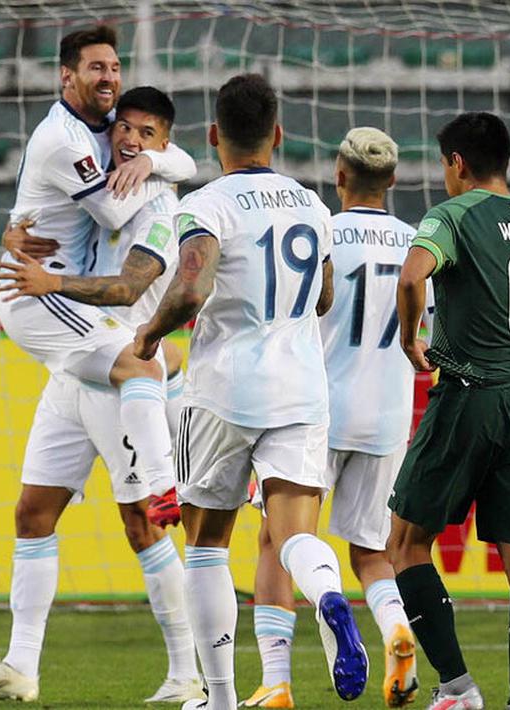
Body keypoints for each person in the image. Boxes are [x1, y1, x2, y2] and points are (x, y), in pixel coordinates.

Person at [0, 87, 201, 704]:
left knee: (142, 525)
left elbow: (128, 286)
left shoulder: (160, 208)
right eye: (125, 130)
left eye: (147, 134)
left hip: (116, 359)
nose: (130, 141)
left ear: (164, 144)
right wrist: (14, 233)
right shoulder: (107, 186)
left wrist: (47, 280)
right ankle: (20, 667)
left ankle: (187, 675)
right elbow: (48, 211)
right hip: (77, 366)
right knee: (33, 514)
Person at [133, 73, 369, 710]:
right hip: (301, 388)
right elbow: (322, 296)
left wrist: (152, 335)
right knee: (293, 534)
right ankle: (327, 596)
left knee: (207, 543)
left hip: (224, 390)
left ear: (213, 137)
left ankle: (220, 697)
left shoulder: (205, 205)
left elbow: (190, 287)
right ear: (279, 135)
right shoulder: (312, 205)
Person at [387, 111, 510, 710]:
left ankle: (457, 687)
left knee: (405, 542)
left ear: (456, 164)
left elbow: (412, 276)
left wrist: (410, 337)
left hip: (470, 395)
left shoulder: (453, 215)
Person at [241, 127, 425, 710]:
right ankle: (397, 631)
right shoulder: (416, 242)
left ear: (338, 174)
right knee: (373, 552)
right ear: (393, 181)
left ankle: (277, 682)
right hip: (389, 413)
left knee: (277, 539)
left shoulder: (318, 228)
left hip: (312, 411)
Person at [0, 24, 196, 516]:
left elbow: (183, 160)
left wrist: (150, 162)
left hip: (69, 293)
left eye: (114, 67)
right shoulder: (66, 139)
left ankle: (198, 470)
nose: (108, 77)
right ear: (67, 76)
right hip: (38, 292)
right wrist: (153, 173)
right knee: (146, 361)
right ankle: (168, 483)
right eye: (96, 68)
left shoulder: (105, 127)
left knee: (35, 513)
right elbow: (112, 210)